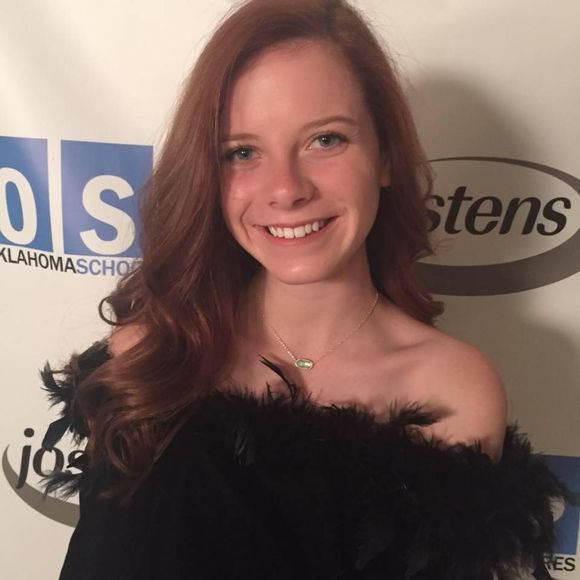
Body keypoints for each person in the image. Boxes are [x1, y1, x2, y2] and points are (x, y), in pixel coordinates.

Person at [41, 0, 568, 578]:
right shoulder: (148, 351)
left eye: (326, 140)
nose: (286, 189)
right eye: (243, 152)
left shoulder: (454, 391)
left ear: (386, 156)